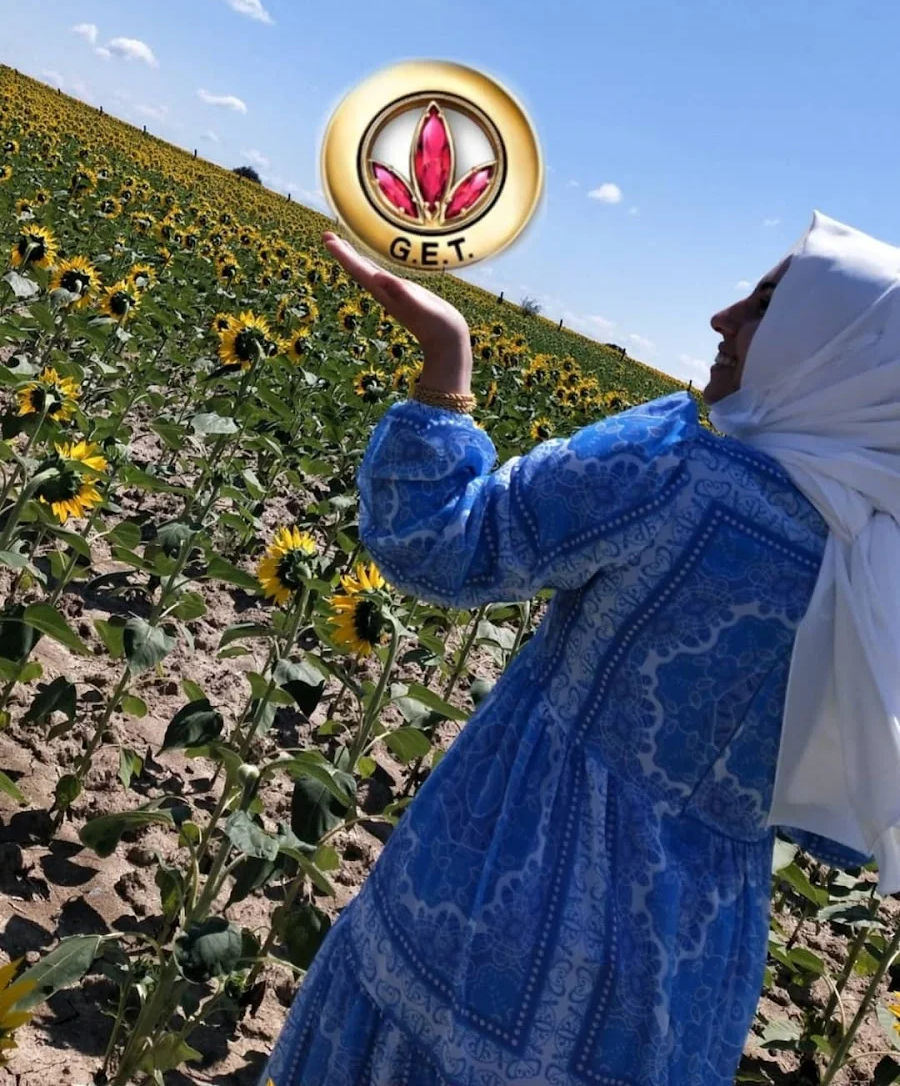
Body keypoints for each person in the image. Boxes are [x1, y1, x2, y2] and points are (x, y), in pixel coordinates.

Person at [259, 210, 900, 1086]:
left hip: (503, 889)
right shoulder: (878, 577)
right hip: (688, 969)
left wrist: (446, 362)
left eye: (764, 305)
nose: (722, 319)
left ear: (831, 348)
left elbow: (440, 547)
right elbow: (836, 823)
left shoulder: (675, 470)